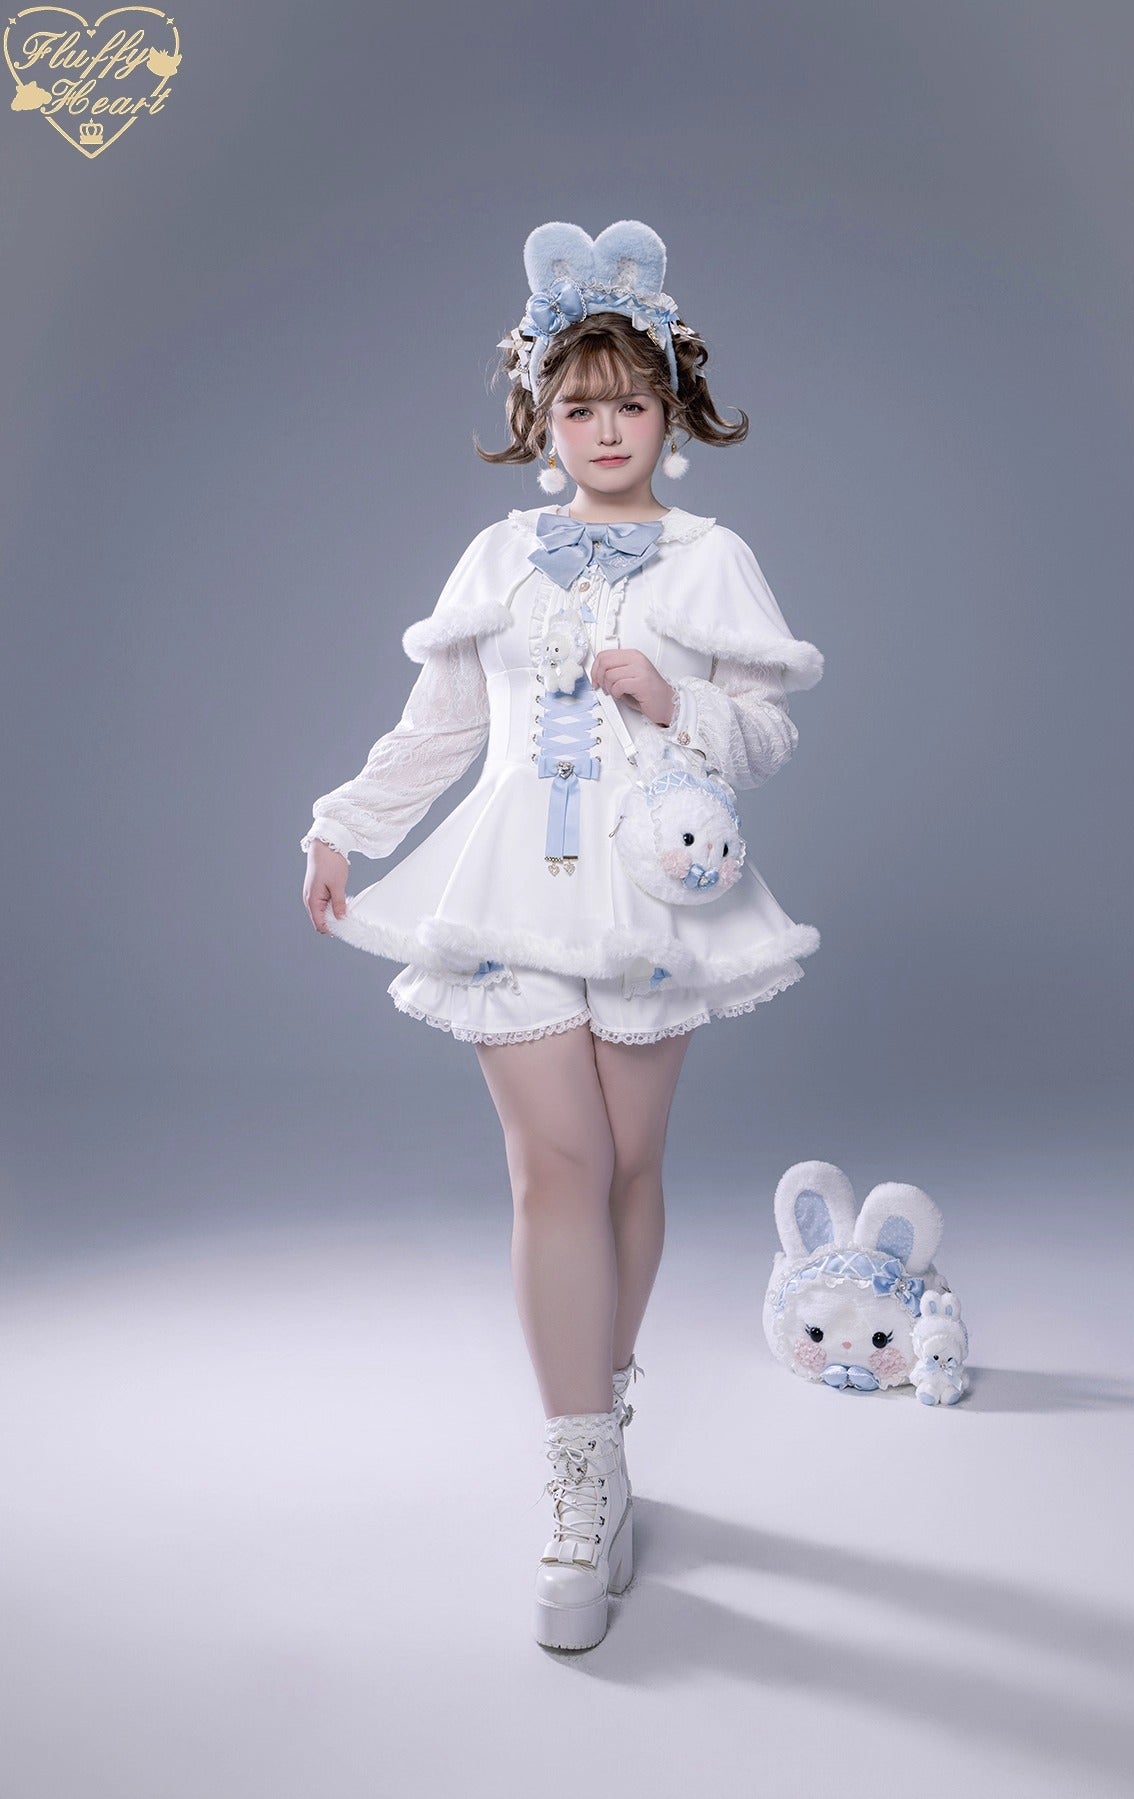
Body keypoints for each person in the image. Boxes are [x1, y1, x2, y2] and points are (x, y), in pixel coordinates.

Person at [300, 219, 824, 1652]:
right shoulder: (497, 556)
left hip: (656, 887)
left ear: (674, 413)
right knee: (557, 1167)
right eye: (579, 404)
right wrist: (343, 825)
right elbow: (441, 728)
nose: (606, 429)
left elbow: (765, 734)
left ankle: (610, 1400)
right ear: (540, 415)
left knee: (630, 1168)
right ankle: (580, 1481)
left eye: (631, 402)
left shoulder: (711, 558)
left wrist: (672, 697)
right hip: (512, 888)